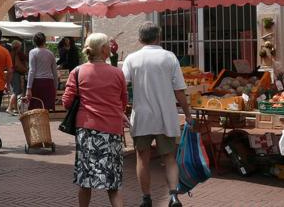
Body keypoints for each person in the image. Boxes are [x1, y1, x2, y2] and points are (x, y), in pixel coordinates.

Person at [122, 22, 192, 207]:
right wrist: (188, 114)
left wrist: (120, 109)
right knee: (169, 157)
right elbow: (179, 91)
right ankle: (174, 196)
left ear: (139, 38)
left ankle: (146, 198)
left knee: (142, 158)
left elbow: (121, 85)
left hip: (142, 117)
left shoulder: (132, 58)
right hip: (166, 116)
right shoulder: (169, 58)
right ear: (158, 37)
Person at [62, 33, 128, 207]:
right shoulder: (117, 73)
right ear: (105, 50)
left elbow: (67, 102)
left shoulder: (77, 72)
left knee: (85, 182)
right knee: (112, 185)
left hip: (86, 131)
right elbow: (123, 102)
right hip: (112, 131)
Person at [26, 32, 57, 110]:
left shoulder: (33, 52)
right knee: (45, 109)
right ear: (44, 41)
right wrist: (55, 87)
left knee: (35, 108)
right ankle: (45, 122)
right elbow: (55, 72)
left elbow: (32, 70)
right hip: (49, 83)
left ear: (34, 41)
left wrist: (28, 88)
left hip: (37, 83)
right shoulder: (51, 54)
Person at [6, 40, 27, 115]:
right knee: (16, 91)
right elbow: (19, 63)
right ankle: (9, 108)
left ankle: (15, 108)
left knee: (14, 90)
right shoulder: (16, 53)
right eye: (20, 46)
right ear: (18, 47)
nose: (21, 47)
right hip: (15, 73)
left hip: (11, 73)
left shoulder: (10, 53)